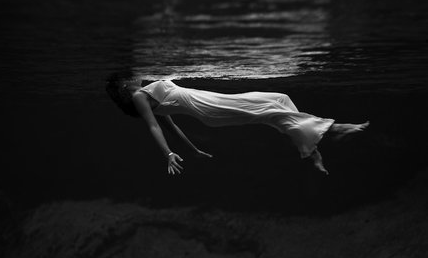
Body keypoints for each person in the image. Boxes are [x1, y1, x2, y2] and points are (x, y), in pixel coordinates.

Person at [106, 72, 369, 175]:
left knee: (279, 99)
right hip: (209, 108)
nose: (137, 75)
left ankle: (310, 148)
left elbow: (172, 127)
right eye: (131, 76)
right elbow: (156, 126)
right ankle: (335, 130)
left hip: (210, 102)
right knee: (271, 111)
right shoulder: (141, 96)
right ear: (125, 85)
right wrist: (168, 154)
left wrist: (193, 150)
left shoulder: (146, 93)